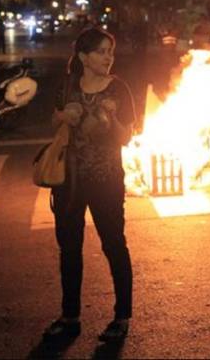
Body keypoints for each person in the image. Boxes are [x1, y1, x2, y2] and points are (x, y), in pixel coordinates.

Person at [42, 27, 136, 344]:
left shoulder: (119, 89)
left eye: (110, 52)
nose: (108, 58)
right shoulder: (68, 85)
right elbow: (53, 120)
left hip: (107, 180)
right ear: (84, 56)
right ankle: (70, 317)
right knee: (69, 249)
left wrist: (113, 122)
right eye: (101, 52)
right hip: (68, 180)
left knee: (113, 245)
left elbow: (127, 137)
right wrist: (64, 116)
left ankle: (121, 317)